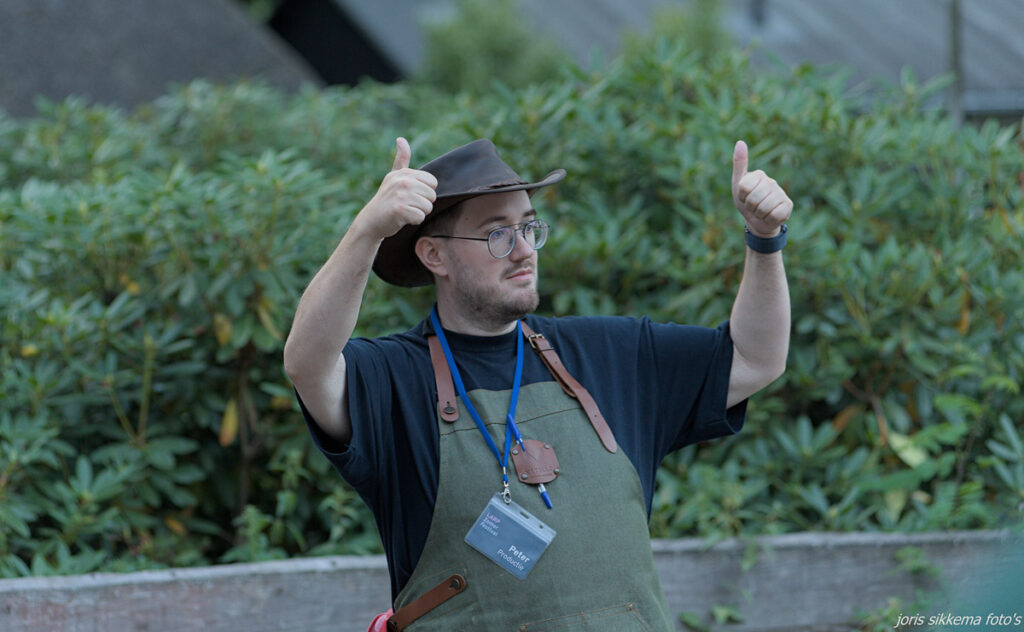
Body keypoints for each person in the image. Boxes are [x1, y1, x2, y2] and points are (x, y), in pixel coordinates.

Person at [283, 137, 792, 631]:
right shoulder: (391, 380)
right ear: (434, 255)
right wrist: (366, 231)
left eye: (529, 227)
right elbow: (308, 363)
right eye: (497, 235)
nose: (524, 250)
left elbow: (755, 359)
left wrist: (764, 240)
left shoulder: (613, 354)